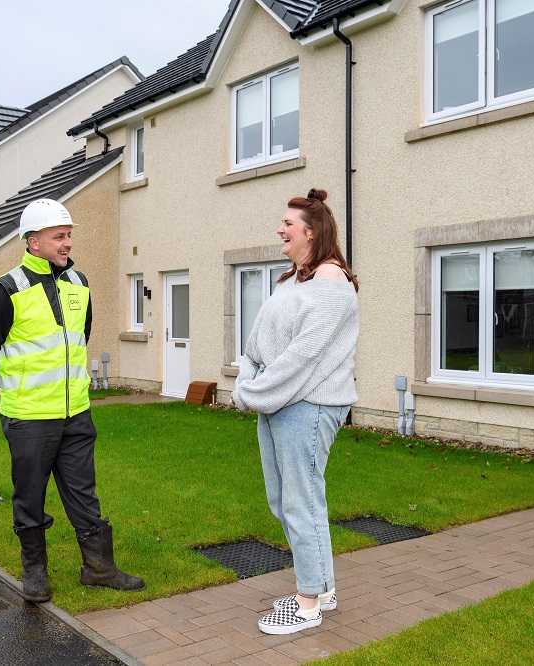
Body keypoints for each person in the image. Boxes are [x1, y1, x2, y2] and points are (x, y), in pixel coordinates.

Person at [0, 198, 144, 602]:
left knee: (85, 494)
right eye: (59, 236)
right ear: (32, 241)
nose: (67, 243)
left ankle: (99, 569)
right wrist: (15, 385)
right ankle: (35, 575)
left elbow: (79, 338)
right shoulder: (6, 290)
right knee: (29, 496)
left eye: (69, 236)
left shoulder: (79, 283)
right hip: (29, 417)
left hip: (75, 414)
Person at [231, 188, 359, 635]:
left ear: (312, 231)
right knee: (285, 500)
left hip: (309, 405)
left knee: (301, 502)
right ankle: (321, 585)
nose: (279, 229)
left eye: (288, 224)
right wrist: (249, 380)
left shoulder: (332, 281)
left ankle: (308, 603)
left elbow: (303, 355)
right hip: (280, 401)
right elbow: (258, 340)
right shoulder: (293, 280)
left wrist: (252, 392)